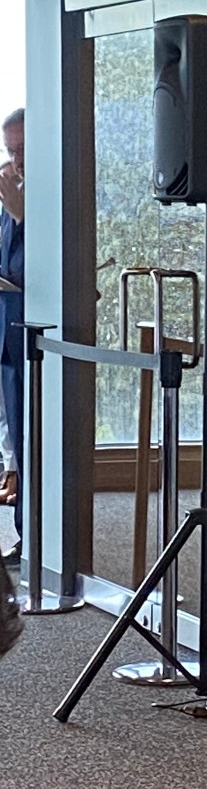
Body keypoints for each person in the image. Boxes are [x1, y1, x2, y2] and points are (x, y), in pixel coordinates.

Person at [0, 107, 23, 566]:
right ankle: (25, 533)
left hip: (35, 338)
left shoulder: (54, 195)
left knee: (36, 435)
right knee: (16, 434)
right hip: (6, 331)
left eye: (23, 150)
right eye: (9, 151)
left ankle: (41, 536)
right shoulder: (9, 201)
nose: (14, 161)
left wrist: (22, 216)